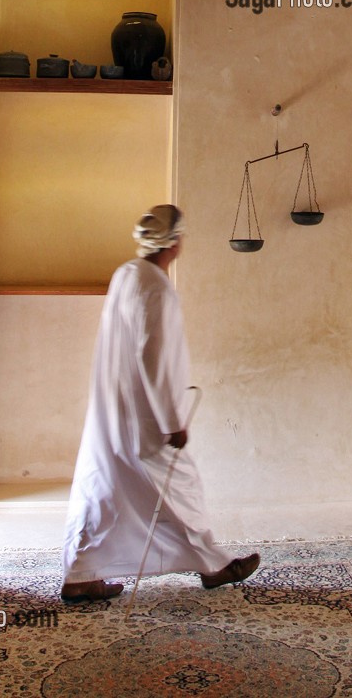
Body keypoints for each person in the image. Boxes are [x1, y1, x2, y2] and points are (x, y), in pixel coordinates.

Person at [60, 204, 259, 600]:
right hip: (145, 415)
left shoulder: (127, 273)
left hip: (115, 409)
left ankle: (80, 575)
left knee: (108, 487)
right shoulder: (154, 286)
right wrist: (171, 421)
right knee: (179, 488)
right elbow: (150, 356)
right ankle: (213, 566)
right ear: (174, 242)